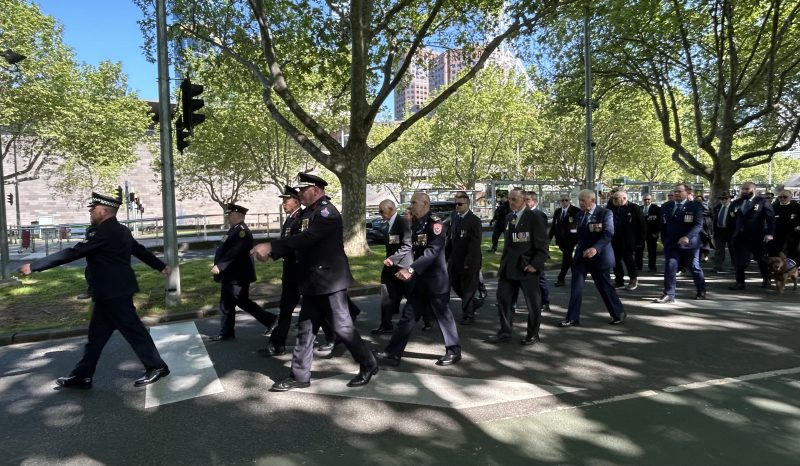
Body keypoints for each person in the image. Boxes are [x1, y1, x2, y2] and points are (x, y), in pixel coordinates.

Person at [19, 192, 171, 389]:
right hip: (109, 292)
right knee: (96, 338)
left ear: (104, 210)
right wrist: (160, 266)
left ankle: (157, 367)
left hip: (114, 292)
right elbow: (139, 250)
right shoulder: (121, 230)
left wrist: (35, 266)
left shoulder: (104, 233)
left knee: (133, 330)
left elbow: (74, 252)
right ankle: (83, 375)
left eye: (94, 208)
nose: (91, 211)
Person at [251, 173, 378, 390]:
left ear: (316, 190)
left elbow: (308, 239)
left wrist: (272, 247)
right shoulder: (308, 213)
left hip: (329, 281)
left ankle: (368, 363)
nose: (299, 193)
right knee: (305, 330)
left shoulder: (327, 212)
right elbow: (295, 240)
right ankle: (299, 376)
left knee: (343, 328)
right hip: (311, 281)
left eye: (302, 189)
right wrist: (275, 251)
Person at [374, 192, 462, 366]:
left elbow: (432, 251)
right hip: (419, 282)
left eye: (414, 202)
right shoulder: (415, 224)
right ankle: (393, 353)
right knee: (407, 317)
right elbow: (413, 249)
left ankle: (454, 351)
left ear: (425, 204)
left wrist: (411, 269)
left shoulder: (436, 224)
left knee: (443, 316)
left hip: (435, 281)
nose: (411, 205)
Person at [487, 188, 549, 344]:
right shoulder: (509, 217)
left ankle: (532, 334)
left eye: (514, 199)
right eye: (509, 199)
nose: (511, 202)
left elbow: (543, 246)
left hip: (527, 268)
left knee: (533, 304)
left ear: (523, 200)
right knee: (504, 300)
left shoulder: (534, 217)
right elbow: (509, 244)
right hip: (509, 268)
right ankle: (505, 331)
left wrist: (535, 264)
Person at [210, 203, 278, 341]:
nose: (228, 217)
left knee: (230, 303)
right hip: (233, 275)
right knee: (236, 302)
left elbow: (236, 252)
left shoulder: (242, 232)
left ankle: (227, 332)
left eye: (230, 215)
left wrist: (220, 266)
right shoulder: (234, 230)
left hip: (236, 276)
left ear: (238, 216)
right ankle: (270, 320)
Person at [560, 189, 626, 327]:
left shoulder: (605, 213)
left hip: (599, 257)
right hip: (581, 257)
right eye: (579, 200)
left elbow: (608, 234)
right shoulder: (579, 215)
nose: (581, 203)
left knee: (604, 287)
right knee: (576, 287)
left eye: (583, 200)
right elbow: (576, 235)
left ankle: (618, 313)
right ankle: (572, 317)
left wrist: (595, 248)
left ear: (593, 200)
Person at [259, 186, 303, 356]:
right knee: (285, 309)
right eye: (283, 201)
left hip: (301, 272)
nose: (283, 203)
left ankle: (336, 336)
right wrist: (272, 253)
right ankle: (277, 344)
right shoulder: (290, 219)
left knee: (321, 309)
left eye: (286, 200)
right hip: (291, 272)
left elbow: (295, 245)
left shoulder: (301, 219)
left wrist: (271, 251)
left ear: (297, 202)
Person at [654, 183, 706, 303]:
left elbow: (698, 225)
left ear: (687, 193)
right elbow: (663, 224)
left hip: (690, 244)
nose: (676, 193)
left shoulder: (695, 206)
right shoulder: (666, 206)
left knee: (694, 267)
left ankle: (701, 290)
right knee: (670, 267)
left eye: (679, 191)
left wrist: (687, 236)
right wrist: (664, 239)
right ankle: (669, 294)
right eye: (675, 191)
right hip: (672, 244)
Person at [372, 199, 412, 334]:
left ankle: (428, 317)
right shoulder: (388, 224)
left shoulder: (402, 223)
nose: (380, 214)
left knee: (412, 295)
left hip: (402, 266)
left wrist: (393, 259)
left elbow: (407, 245)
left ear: (390, 209)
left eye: (381, 211)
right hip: (390, 266)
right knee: (386, 294)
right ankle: (386, 324)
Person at [728, 182, 775, 290]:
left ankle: (766, 280)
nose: (744, 191)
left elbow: (771, 218)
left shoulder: (762, 201)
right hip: (740, 237)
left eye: (746, 189)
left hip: (757, 236)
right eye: (742, 189)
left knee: (762, 259)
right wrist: (731, 235)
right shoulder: (736, 202)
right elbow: (730, 220)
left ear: (754, 189)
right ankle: (740, 282)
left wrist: (770, 233)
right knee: (739, 261)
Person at [445, 192, 483, 325]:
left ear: (467, 204)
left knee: (468, 289)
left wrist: (469, 260)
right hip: (455, 259)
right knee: (455, 285)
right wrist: (446, 256)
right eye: (455, 203)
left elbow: (475, 243)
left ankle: (468, 315)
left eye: (460, 204)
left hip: (469, 260)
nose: (457, 206)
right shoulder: (455, 218)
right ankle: (473, 303)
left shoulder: (474, 220)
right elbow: (450, 238)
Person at [609, 190, 644, 290]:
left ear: (624, 198)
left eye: (616, 198)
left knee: (628, 259)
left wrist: (640, 241)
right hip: (614, 239)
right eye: (613, 198)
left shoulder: (634, 208)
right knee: (615, 261)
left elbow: (642, 225)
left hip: (628, 239)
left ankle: (633, 278)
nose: (613, 200)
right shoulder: (610, 208)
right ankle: (619, 280)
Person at [549, 194, 580, 286]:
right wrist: (548, 239)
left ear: (570, 200)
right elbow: (554, 226)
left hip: (572, 240)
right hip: (560, 240)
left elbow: (580, 226)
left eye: (566, 200)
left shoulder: (576, 211)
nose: (564, 202)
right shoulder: (558, 211)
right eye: (562, 200)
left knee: (566, 258)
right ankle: (577, 276)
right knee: (569, 259)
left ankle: (560, 279)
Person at [769, 189, 800, 262]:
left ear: (790, 197)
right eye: (780, 197)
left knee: (792, 252)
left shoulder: (797, 207)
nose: (782, 198)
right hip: (777, 233)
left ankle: (792, 268)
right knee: (775, 251)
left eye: (785, 197)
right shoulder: (774, 207)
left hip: (793, 233)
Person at [637, 194, 661, 272]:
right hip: (641, 234)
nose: (647, 201)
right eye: (645, 199)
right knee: (639, 250)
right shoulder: (639, 208)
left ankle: (652, 267)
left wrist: (657, 232)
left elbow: (659, 221)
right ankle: (638, 266)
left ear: (651, 200)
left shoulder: (656, 208)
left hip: (652, 233)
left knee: (652, 251)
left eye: (648, 199)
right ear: (642, 200)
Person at [711, 192, 733, 273]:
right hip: (719, 231)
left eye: (725, 198)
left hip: (730, 232)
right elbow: (714, 220)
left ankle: (735, 266)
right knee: (719, 250)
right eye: (722, 199)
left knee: (733, 250)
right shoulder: (717, 207)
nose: (723, 200)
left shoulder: (734, 207)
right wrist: (713, 232)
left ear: (730, 199)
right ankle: (717, 266)